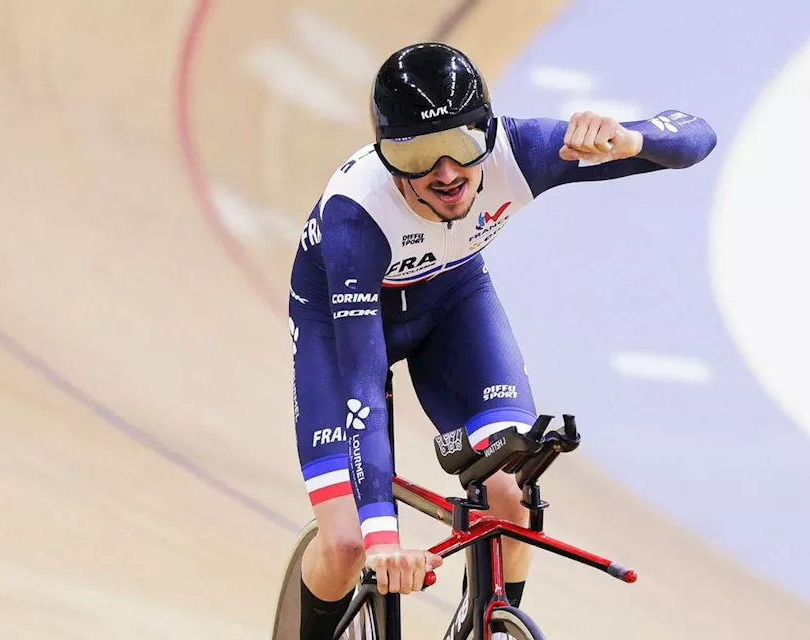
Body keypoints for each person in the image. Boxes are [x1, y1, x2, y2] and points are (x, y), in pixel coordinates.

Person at [287, 41, 716, 639]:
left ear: (488, 132)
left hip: (450, 304)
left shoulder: (525, 150)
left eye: (462, 146)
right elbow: (363, 383)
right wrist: (384, 540)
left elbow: (697, 136)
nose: (445, 172)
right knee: (345, 547)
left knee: (510, 502)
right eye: (415, 153)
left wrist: (629, 140)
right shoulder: (354, 218)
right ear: (386, 156)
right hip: (343, 328)